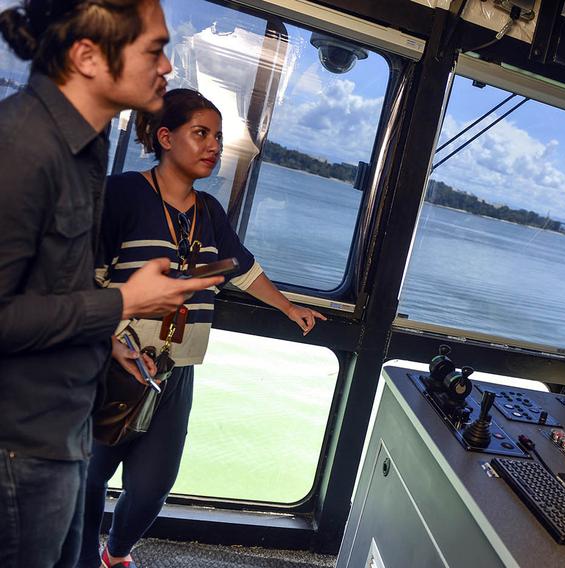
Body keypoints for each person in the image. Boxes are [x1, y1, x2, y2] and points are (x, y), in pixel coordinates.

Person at [0, 2, 222, 567]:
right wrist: (126, 301)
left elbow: (53, 287)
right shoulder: (23, 148)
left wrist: (109, 341)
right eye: (153, 49)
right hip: (19, 448)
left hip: (63, 430)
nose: (168, 67)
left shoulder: (86, 148)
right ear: (87, 56)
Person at [78, 88, 326, 568]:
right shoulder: (124, 193)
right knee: (87, 481)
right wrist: (107, 342)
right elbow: (85, 279)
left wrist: (287, 308)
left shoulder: (210, 211)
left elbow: (244, 270)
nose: (214, 145)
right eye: (201, 133)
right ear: (165, 137)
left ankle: (116, 553)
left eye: (218, 136)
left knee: (152, 489)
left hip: (175, 371)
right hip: (111, 363)